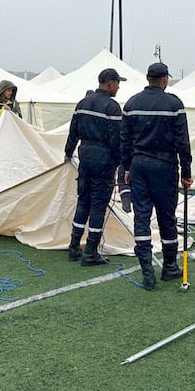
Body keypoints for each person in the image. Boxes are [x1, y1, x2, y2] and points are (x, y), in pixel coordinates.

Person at [121, 63, 193, 290]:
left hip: (139, 164)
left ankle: (147, 272)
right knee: (166, 216)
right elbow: (183, 140)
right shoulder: (174, 104)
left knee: (141, 217)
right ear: (164, 80)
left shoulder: (131, 103)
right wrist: (186, 172)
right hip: (165, 165)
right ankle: (170, 267)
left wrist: (127, 168)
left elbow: (125, 140)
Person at [64, 68, 126, 265]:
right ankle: (90, 252)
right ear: (110, 84)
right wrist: (120, 161)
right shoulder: (112, 107)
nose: (118, 87)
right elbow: (117, 139)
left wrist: (68, 152)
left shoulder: (82, 103)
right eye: (117, 84)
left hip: (85, 156)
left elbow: (73, 131)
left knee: (83, 201)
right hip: (104, 160)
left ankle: (74, 247)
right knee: (98, 206)